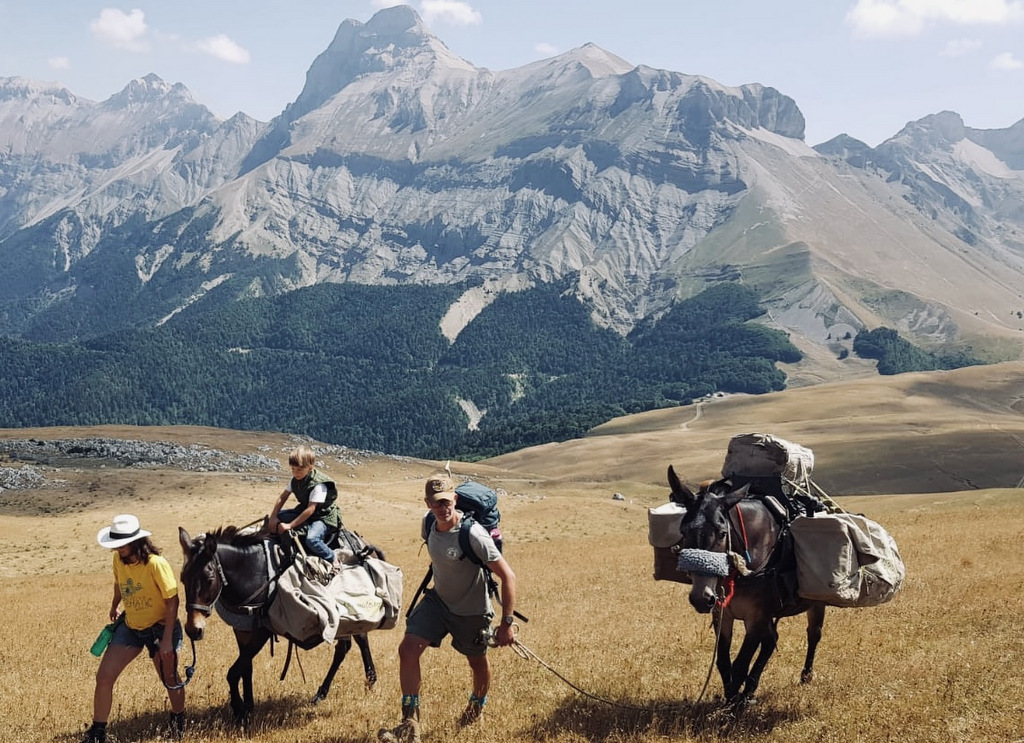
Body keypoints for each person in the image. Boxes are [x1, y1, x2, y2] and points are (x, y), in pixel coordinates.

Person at [379, 473, 518, 743]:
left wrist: (507, 623)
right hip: (438, 602)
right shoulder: (428, 523)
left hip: (471, 610)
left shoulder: (473, 534)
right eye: (435, 503)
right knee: (407, 649)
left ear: (455, 499)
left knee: (476, 662)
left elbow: (508, 576)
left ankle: (476, 706)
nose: (442, 509)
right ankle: (410, 723)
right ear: (427, 504)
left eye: (446, 502)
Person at [82, 514, 185, 743]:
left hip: (161, 628)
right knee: (104, 677)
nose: (117, 548)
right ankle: (98, 733)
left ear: (136, 541)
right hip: (132, 625)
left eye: (121, 544)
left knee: (170, 679)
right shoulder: (118, 560)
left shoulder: (156, 564)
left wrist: (167, 639)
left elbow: (173, 601)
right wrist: (114, 604)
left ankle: (178, 723)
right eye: (115, 544)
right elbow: (119, 584)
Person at [267, 445, 343, 569]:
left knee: (312, 539)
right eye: (293, 469)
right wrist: (274, 516)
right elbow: (283, 497)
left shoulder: (318, 485)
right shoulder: (295, 480)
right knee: (278, 517)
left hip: (322, 517)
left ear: (310, 467)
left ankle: (332, 557)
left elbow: (310, 509)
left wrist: (290, 525)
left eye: (299, 470)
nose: (295, 473)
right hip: (304, 510)